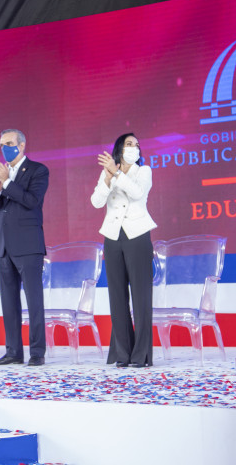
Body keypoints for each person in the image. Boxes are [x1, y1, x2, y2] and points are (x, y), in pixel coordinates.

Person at [0, 129, 49, 366]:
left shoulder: (38, 170)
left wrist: (8, 182)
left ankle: (37, 352)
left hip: (29, 245)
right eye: (2, 144)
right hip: (4, 246)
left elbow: (31, 201)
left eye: (9, 143)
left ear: (21, 145)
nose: (5, 148)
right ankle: (13, 352)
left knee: (34, 301)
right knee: (9, 302)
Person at [90, 133, 156, 367]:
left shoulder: (144, 171)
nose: (134, 148)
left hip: (137, 235)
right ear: (119, 149)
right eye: (129, 144)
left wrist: (117, 174)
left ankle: (141, 355)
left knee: (141, 297)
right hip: (112, 235)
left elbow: (137, 193)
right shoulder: (107, 172)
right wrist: (108, 179)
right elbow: (96, 202)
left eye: (136, 145)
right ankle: (123, 353)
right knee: (117, 296)